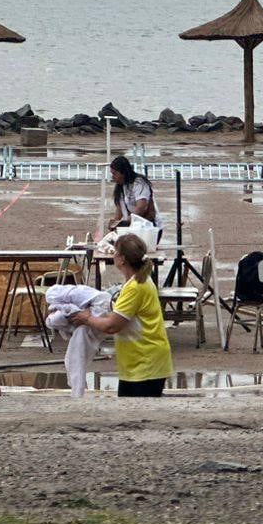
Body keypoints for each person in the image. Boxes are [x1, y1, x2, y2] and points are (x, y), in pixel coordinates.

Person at [71, 231, 173, 397]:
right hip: (140, 363)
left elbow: (112, 326)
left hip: (144, 364)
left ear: (122, 258)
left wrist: (87, 318)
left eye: (115, 252)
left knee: (133, 416)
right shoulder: (139, 281)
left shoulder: (135, 288)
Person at [107, 154, 161, 238]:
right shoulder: (120, 187)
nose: (112, 177)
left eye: (114, 174)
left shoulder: (139, 183)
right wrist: (115, 224)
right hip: (133, 229)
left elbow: (141, 207)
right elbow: (119, 209)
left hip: (149, 230)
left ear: (123, 173)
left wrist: (126, 222)